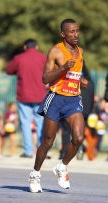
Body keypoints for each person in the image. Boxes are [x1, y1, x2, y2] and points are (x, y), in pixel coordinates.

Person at [29, 18, 88, 193]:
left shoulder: (81, 51)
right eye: (71, 31)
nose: (75, 35)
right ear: (63, 34)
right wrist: (62, 68)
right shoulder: (56, 51)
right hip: (56, 99)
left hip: (73, 99)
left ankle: (62, 167)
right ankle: (35, 174)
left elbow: (75, 74)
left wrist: (81, 81)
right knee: (48, 141)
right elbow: (45, 79)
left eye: (77, 31)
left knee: (78, 138)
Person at [6, 39, 47, 158]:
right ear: (37, 47)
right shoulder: (43, 58)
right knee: (41, 123)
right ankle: (43, 151)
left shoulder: (19, 58)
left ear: (25, 47)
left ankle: (28, 151)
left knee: (25, 123)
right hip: (40, 96)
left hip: (24, 95)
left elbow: (9, 70)